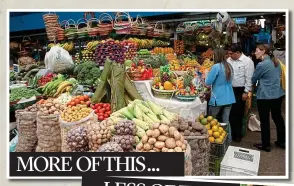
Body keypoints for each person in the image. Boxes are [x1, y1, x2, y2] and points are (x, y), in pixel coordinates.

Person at [252, 44, 285, 152]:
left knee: (265, 120)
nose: (255, 52)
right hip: (278, 94)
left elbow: (254, 79)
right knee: (277, 117)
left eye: (257, 51)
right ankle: (282, 141)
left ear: (263, 51)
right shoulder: (276, 62)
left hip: (265, 96)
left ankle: (266, 145)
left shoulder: (262, 65)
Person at [205, 48, 236, 139]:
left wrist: (207, 73)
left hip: (217, 97)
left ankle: (212, 141)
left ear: (216, 56)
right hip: (229, 96)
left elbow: (208, 82)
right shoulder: (229, 66)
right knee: (226, 120)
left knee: (212, 121)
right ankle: (228, 140)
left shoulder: (216, 67)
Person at [227, 44, 255, 142]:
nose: (230, 55)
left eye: (231, 53)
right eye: (229, 53)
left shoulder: (247, 61)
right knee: (229, 112)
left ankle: (237, 135)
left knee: (238, 113)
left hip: (240, 90)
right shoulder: (228, 60)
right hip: (229, 89)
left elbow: (249, 78)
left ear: (238, 52)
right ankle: (230, 134)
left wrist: (246, 91)